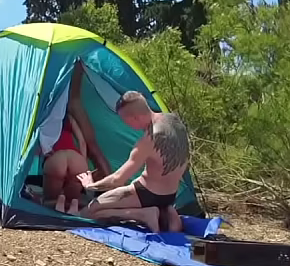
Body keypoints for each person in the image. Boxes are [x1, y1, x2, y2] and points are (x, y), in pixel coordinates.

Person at [78, 91, 189, 232]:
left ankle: (143, 214)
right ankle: (165, 211)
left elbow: (117, 180)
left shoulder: (148, 140)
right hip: (171, 194)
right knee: (167, 219)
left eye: (125, 120)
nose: (126, 124)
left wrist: (90, 185)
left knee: (89, 212)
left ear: (135, 117)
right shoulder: (175, 121)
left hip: (146, 193)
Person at [40, 61, 112, 214]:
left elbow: (36, 149)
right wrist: (83, 161)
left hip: (56, 158)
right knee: (74, 199)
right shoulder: (69, 119)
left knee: (47, 200)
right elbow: (82, 141)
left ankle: (56, 203)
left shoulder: (44, 121)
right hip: (76, 158)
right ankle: (73, 207)